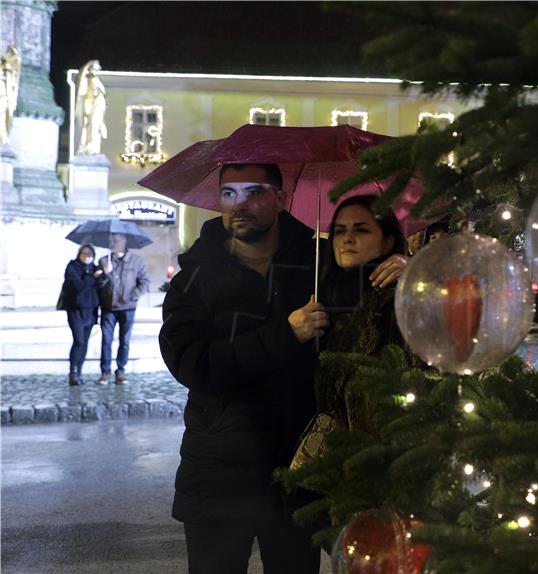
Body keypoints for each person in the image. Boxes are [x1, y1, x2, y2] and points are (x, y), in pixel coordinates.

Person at [158, 164, 407, 574]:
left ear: (280, 197)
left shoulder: (319, 262)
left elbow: (373, 285)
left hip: (298, 475)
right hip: (217, 476)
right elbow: (193, 364)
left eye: (255, 192)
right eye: (230, 193)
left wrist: (406, 265)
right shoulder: (194, 278)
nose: (241, 204)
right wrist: (283, 335)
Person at [292, 195, 410, 468]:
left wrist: (417, 270)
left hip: (379, 458)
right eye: (340, 230)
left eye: (362, 229)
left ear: (389, 241)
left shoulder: (398, 299)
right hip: (320, 458)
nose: (347, 238)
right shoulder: (321, 292)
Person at [96, 234, 150, 385]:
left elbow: (145, 282)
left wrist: (133, 296)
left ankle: (120, 371)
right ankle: (105, 372)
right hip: (108, 307)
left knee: (124, 341)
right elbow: (98, 286)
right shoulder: (103, 261)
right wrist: (105, 273)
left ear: (124, 242)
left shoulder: (137, 261)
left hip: (128, 307)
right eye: (111, 241)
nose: (112, 243)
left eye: (115, 241)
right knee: (106, 340)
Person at [62, 244, 102, 386]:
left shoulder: (95, 268)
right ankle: (72, 372)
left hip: (90, 311)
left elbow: (100, 288)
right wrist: (92, 277)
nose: (87, 257)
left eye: (90, 254)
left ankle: (79, 372)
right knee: (78, 340)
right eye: (84, 254)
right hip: (75, 311)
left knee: (84, 342)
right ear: (79, 254)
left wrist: (103, 275)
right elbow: (78, 287)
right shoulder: (72, 267)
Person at [75, 60, 107, 155]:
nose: (98, 70)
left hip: (97, 107)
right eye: (96, 68)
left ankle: (92, 147)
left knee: (95, 127)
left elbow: (102, 95)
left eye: (98, 68)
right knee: (87, 126)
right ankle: (84, 146)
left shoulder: (97, 80)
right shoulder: (86, 80)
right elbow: (82, 92)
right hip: (89, 105)